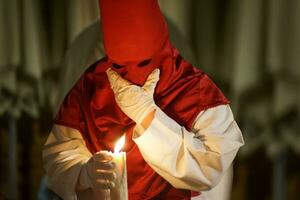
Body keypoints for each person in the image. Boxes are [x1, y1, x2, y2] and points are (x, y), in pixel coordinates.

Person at [42, 0, 244, 199]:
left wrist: (148, 117)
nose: (133, 74)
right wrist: (83, 173)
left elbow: (211, 167)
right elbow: (60, 153)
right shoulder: (92, 84)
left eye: (145, 63)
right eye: (121, 67)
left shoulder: (195, 90)